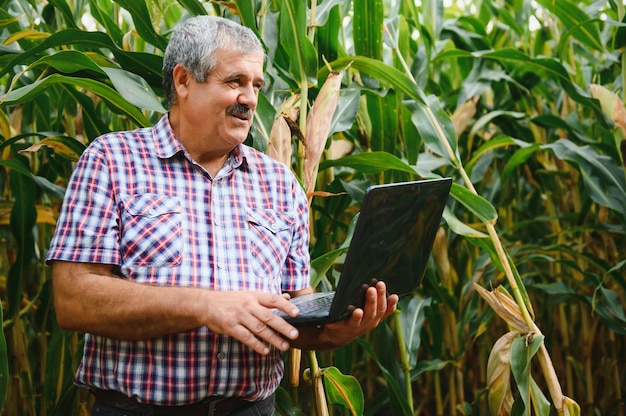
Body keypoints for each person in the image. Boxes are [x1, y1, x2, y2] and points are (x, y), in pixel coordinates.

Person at [47, 15, 399, 416]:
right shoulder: (112, 161)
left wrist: (332, 329)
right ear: (183, 81)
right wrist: (205, 306)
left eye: (256, 85)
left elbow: (294, 310)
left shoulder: (279, 183)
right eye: (234, 81)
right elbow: (73, 299)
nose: (250, 98)